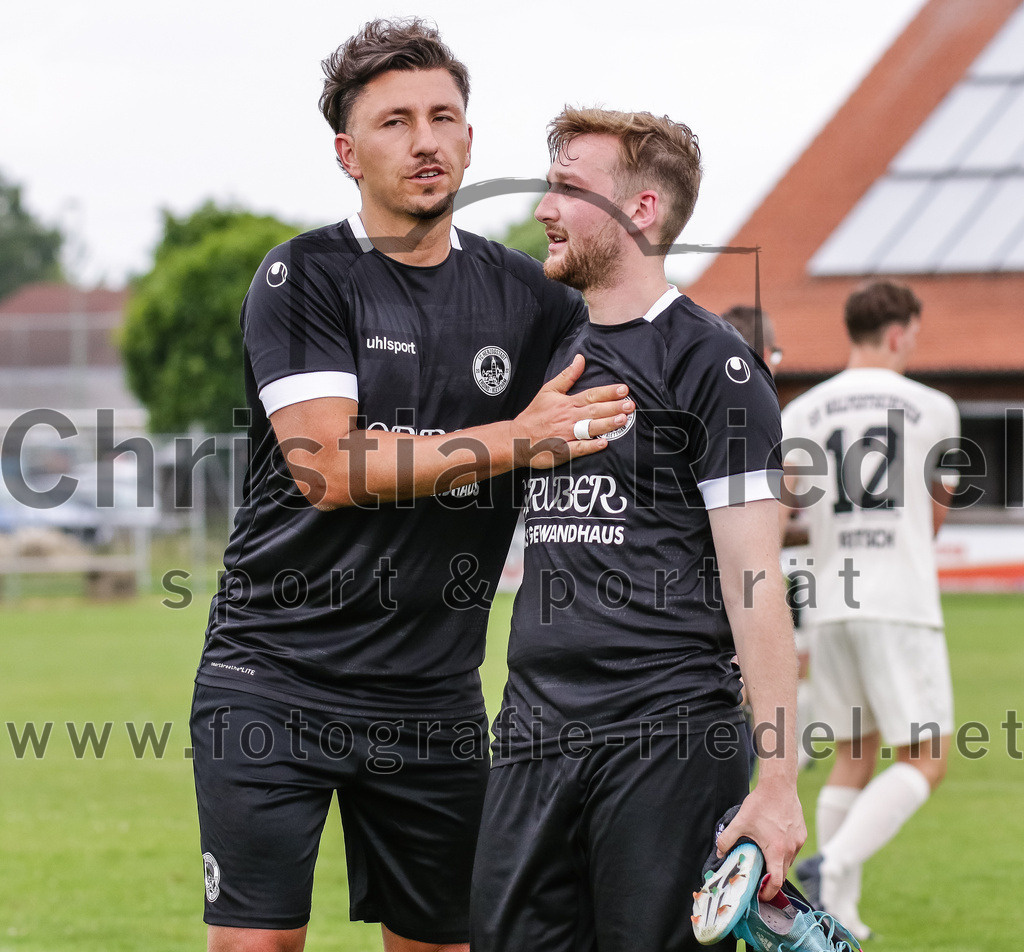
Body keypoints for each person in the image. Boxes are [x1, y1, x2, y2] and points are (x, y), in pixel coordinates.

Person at [189, 20, 635, 952]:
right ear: (349, 154)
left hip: (431, 696)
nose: (426, 140)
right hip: (273, 678)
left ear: (471, 139)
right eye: (395, 122)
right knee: (257, 944)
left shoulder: (534, 302)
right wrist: (516, 438)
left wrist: (719, 371)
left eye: (444, 117)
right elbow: (327, 467)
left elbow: (625, 397)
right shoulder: (303, 276)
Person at [470, 107, 806, 952]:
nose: (544, 205)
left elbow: (756, 585)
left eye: (569, 187)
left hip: (667, 743)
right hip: (532, 735)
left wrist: (778, 783)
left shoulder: (713, 366)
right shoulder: (551, 351)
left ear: (642, 210)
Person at [780, 281, 960, 940]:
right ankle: (835, 866)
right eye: (912, 333)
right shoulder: (935, 407)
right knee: (928, 758)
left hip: (830, 600)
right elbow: (935, 515)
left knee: (853, 752)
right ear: (896, 333)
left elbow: (784, 511)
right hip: (900, 600)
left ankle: (838, 917)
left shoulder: (803, 410)